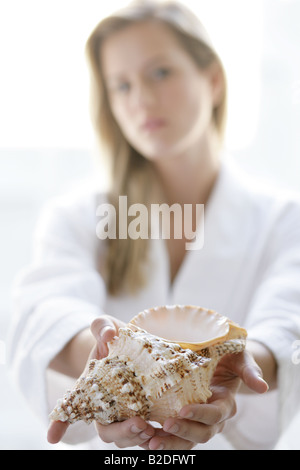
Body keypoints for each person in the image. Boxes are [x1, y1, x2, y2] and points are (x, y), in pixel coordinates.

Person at [9, 0, 300, 450]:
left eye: (160, 73)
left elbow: (289, 326)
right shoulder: (77, 217)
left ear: (214, 79)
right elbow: (43, 311)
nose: (141, 99)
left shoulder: (284, 219)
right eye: (120, 85)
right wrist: (118, 368)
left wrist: (227, 369)